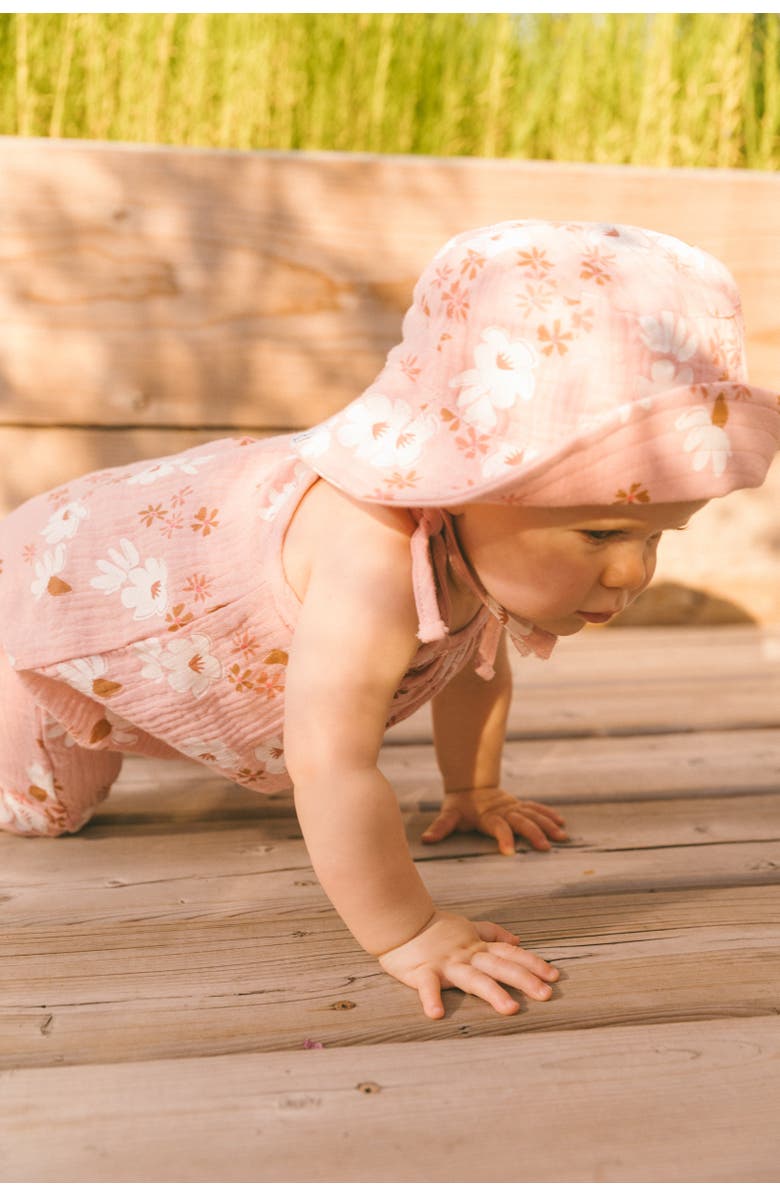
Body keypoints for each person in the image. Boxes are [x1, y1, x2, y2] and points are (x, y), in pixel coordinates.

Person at [1, 220, 777, 1019]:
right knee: (47, 811)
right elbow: (331, 763)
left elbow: (474, 660)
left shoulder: (470, 543)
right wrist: (408, 933)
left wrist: (473, 787)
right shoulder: (371, 555)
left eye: (660, 537)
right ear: (468, 482)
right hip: (57, 611)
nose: (633, 573)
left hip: (161, 615)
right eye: (603, 534)